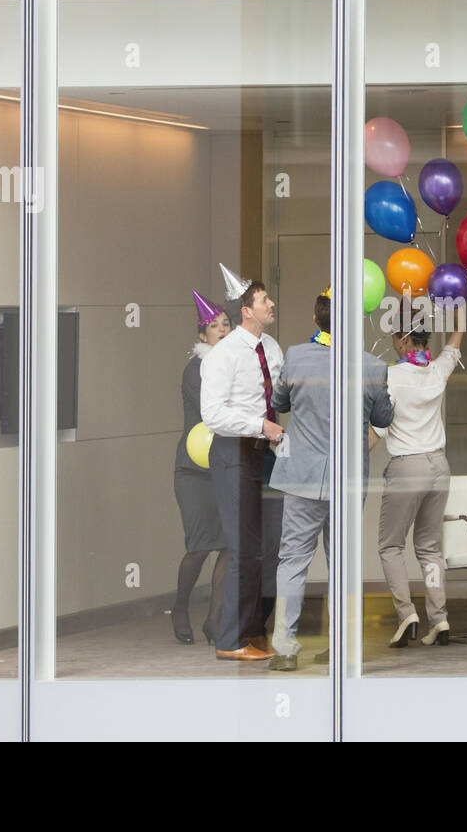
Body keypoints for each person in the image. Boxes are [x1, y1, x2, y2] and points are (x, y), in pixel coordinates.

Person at [266, 288, 394, 671]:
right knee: (342, 563)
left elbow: (279, 403)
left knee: (292, 561)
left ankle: (286, 648)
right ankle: (341, 646)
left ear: (317, 320)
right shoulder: (373, 367)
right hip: (348, 481)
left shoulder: (295, 356)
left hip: (303, 477)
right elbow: (384, 419)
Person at [200, 263, 285, 662]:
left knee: (265, 549)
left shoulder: (271, 349)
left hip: (265, 455)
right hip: (234, 453)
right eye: (265, 300)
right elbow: (213, 414)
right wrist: (259, 425)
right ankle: (229, 639)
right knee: (241, 548)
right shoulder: (222, 355)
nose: (273, 304)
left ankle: (253, 632)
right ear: (246, 311)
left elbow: (282, 394)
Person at [373, 305, 464, 648]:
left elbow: (379, 428)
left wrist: (353, 459)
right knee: (429, 548)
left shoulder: (391, 377)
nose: (393, 343)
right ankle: (438, 619)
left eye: (395, 337)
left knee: (391, 545)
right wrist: (458, 319)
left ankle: (406, 613)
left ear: (403, 339)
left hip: (407, 467)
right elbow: (454, 346)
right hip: (439, 467)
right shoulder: (436, 371)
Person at [170, 290, 231, 645]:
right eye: (214, 325)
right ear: (202, 335)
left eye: (226, 324)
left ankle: (215, 620)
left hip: (223, 468)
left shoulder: (233, 365)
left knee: (229, 545)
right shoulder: (195, 369)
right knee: (199, 545)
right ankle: (180, 606)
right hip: (193, 471)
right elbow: (215, 411)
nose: (222, 329)